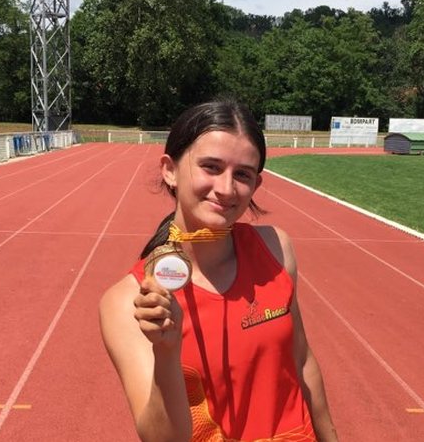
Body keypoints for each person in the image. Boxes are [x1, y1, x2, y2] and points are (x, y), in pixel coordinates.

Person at [99, 99, 338, 441]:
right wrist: (166, 352)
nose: (226, 189)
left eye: (242, 174)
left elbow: (301, 360)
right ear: (170, 170)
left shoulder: (276, 250)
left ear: (256, 184)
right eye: (210, 167)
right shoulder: (129, 302)